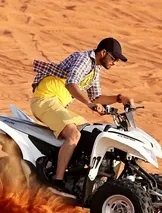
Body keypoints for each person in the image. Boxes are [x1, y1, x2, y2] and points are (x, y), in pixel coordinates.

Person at [30, 37, 134, 193]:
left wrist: (119, 98)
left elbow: (96, 98)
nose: (115, 63)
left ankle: (76, 174)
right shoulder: (85, 60)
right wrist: (89, 104)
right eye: (114, 58)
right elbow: (71, 83)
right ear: (103, 53)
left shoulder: (94, 70)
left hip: (56, 105)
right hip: (45, 99)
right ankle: (57, 182)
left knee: (88, 132)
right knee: (73, 134)